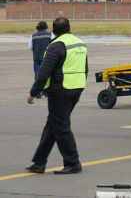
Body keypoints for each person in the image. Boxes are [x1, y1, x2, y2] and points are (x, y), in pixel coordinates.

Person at [26, 17, 88, 174]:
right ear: (69, 28)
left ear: (53, 31)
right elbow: (85, 69)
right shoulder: (79, 43)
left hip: (60, 91)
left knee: (61, 127)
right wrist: (79, 91)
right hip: (75, 88)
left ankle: (73, 162)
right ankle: (39, 162)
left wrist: (33, 93)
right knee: (52, 125)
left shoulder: (56, 46)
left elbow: (44, 72)